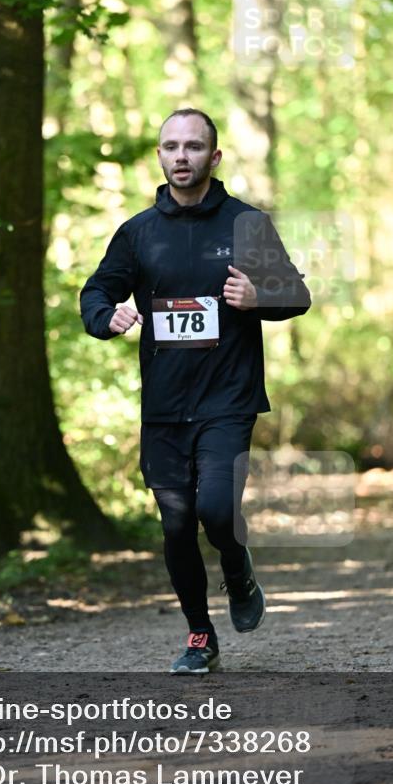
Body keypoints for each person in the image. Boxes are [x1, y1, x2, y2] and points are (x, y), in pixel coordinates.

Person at [80, 108, 311, 674]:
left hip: (228, 399)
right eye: (171, 147)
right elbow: (96, 292)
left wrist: (260, 298)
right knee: (177, 523)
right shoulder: (138, 233)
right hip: (164, 405)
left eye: (193, 146)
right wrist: (106, 317)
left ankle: (236, 564)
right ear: (160, 156)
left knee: (215, 508)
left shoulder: (246, 224)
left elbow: (296, 294)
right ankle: (200, 636)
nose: (181, 156)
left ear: (214, 155)